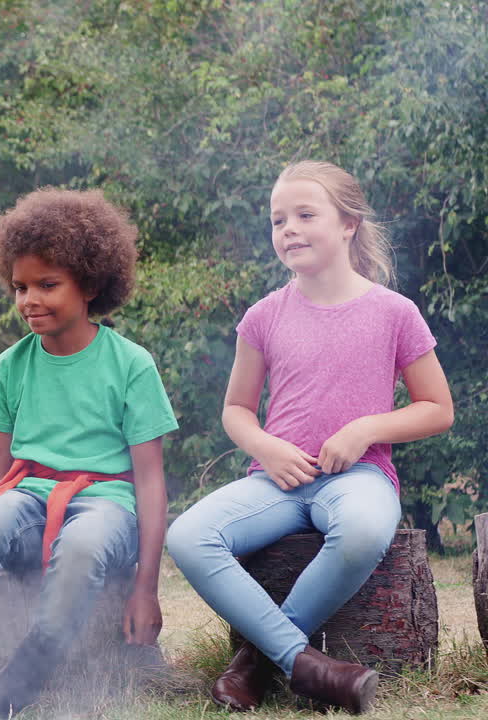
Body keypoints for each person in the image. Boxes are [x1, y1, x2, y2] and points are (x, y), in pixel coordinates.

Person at [166, 161, 455, 715]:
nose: (288, 229)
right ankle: (307, 667)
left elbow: (438, 409)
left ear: (348, 223)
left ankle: (258, 660)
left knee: (366, 528)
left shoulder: (394, 313)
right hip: (275, 480)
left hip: (359, 478)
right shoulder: (263, 316)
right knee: (189, 536)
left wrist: (367, 427)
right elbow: (236, 410)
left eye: (305, 214)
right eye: (278, 220)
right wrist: (266, 448)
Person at [0, 188, 178, 720]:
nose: (29, 300)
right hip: (27, 494)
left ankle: (9, 690)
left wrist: (146, 587)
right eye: (20, 286)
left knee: (84, 544)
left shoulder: (132, 364)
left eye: (48, 285)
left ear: (90, 284)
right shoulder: (10, 365)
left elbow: (152, 483)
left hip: (107, 501)